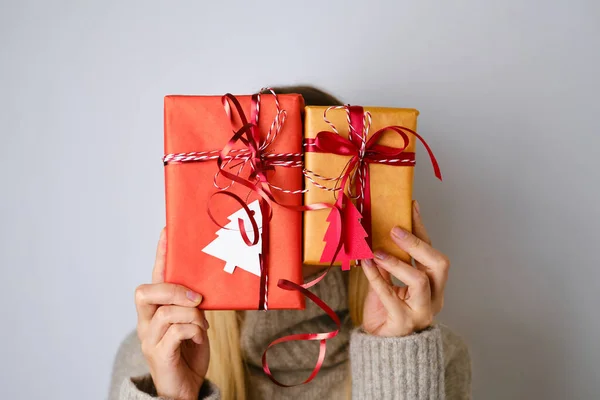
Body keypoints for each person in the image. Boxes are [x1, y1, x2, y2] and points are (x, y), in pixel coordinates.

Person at [109, 86, 472, 400]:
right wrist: (174, 396)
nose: (292, 205)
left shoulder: (431, 355)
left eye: (313, 182)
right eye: (271, 173)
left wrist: (398, 357)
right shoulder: (156, 356)